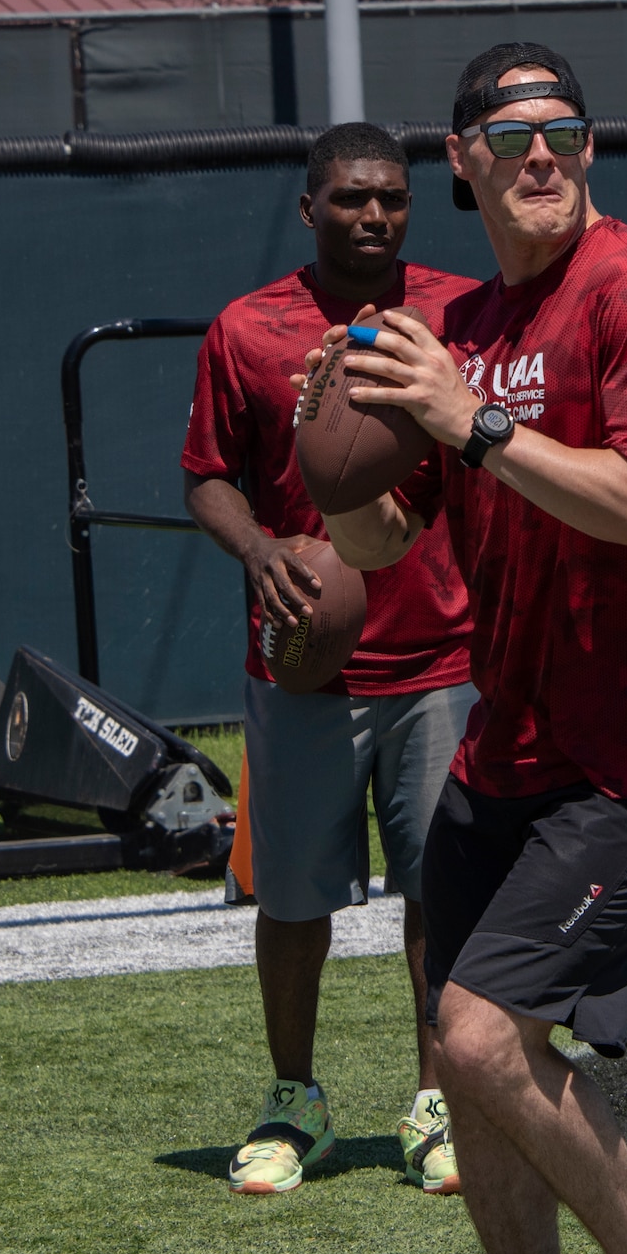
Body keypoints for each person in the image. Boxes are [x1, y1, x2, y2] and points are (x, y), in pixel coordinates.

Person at [315, 44, 627, 1254]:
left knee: (483, 1041)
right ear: (462, 161)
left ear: (589, 148)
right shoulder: (455, 327)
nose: (539, 154)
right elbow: (379, 539)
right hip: (507, 746)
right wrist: (326, 452)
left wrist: (474, 422)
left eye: (562, 131)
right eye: (508, 139)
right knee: (457, 1059)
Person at [181, 122, 480, 1199]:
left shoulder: (459, 314)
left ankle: (437, 1099)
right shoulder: (246, 328)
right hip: (303, 659)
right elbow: (207, 474)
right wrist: (259, 549)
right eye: (352, 198)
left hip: (440, 653)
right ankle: (292, 1097)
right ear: (309, 207)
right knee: (293, 900)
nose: (374, 216)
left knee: (437, 897)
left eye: (393, 199)